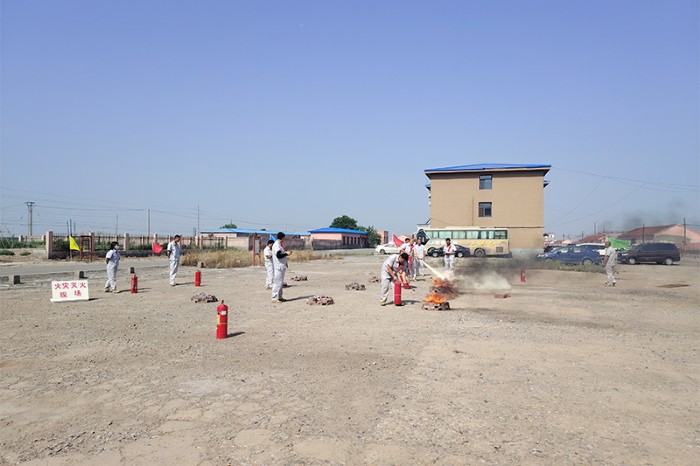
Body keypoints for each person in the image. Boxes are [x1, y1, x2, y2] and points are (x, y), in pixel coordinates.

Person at [271, 232, 292, 302]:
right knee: (277, 283)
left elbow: (281, 254)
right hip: (278, 267)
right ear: (282, 238)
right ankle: (274, 298)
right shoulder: (276, 245)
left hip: (281, 266)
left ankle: (280, 297)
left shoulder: (279, 245)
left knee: (280, 283)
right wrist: (286, 253)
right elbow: (279, 255)